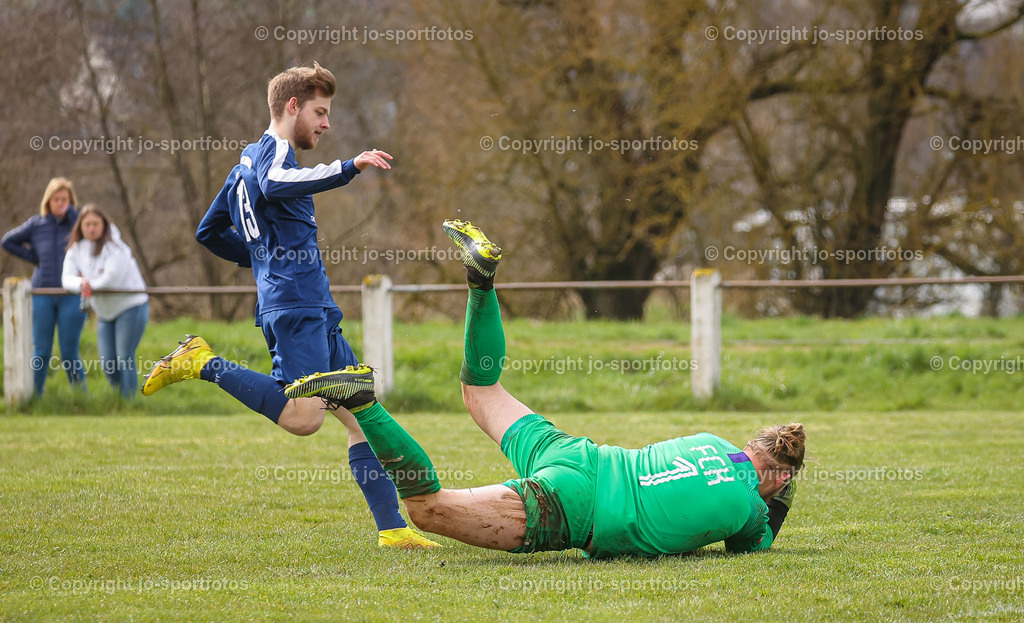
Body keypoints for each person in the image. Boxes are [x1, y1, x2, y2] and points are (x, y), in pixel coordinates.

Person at [284, 220, 804, 557]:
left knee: (481, 389)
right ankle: (362, 402)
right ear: (777, 480)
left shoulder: (712, 441)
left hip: (580, 455)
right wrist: (779, 497)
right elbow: (756, 544)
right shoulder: (750, 510)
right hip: (576, 506)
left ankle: (482, 281)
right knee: (426, 508)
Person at [140, 62, 435, 550]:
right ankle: (202, 362)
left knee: (361, 413)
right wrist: (347, 168)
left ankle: (393, 530)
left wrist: (261, 259)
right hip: (294, 304)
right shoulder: (272, 155)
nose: (326, 124)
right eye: (320, 112)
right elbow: (277, 184)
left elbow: (208, 232)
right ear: (292, 106)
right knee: (305, 418)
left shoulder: (242, 170)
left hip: (311, 302)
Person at [2, 177, 87, 395]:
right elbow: (7, 241)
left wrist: (74, 216)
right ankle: (34, 397)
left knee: (69, 352)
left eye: (65, 199)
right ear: (48, 201)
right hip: (42, 293)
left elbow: (94, 239)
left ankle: (81, 399)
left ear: (71, 201)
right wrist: (35, 259)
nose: (60, 203)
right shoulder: (36, 224)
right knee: (41, 352)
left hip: (71, 294)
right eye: (56, 199)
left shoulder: (79, 224)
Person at [62, 205, 149, 399]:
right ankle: (118, 400)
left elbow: (111, 279)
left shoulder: (115, 247)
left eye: (96, 224)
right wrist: (80, 284)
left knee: (124, 357)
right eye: (87, 224)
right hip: (104, 312)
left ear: (104, 225)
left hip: (130, 306)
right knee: (108, 362)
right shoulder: (76, 249)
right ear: (80, 226)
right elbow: (66, 278)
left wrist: (89, 284)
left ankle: (130, 403)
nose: (91, 228)